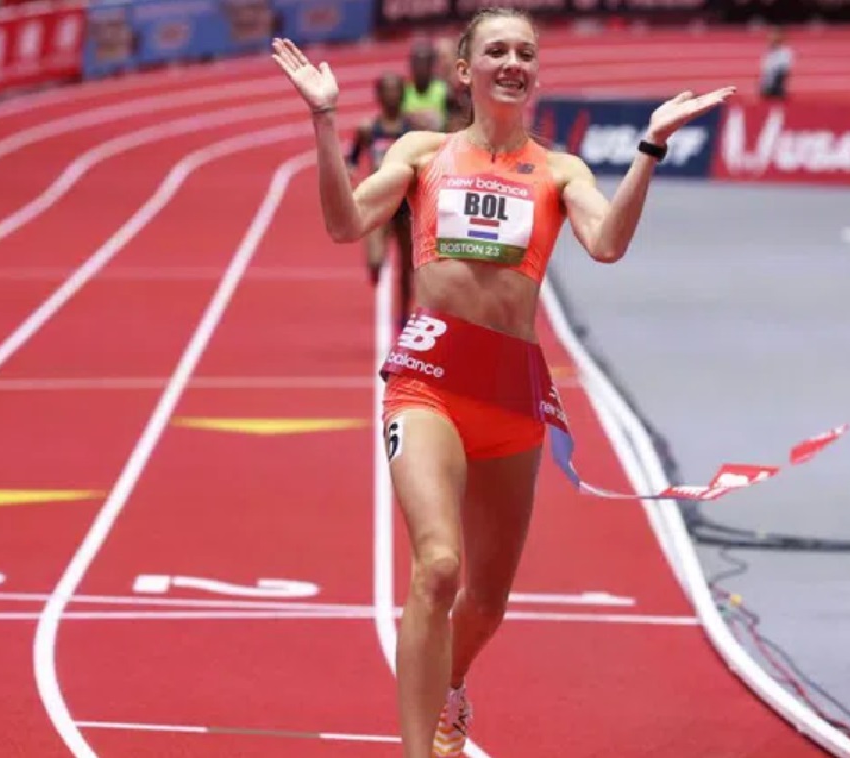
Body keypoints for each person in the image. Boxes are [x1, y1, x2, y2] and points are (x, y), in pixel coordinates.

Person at [270, 9, 734, 757]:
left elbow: (606, 243)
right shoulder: (423, 152)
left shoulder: (559, 170)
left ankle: (445, 688)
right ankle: (417, 749)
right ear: (465, 71)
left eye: (524, 51)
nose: (511, 60)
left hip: (512, 395)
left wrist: (649, 145)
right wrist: (324, 121)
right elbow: (342, 222)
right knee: (438, 567)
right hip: (427, 380)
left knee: (485, 603)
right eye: (495, 50)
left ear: (535, 71)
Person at [346, 73, 413, 313]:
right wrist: (348, 174)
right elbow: (351, 159)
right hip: (379, 202)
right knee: (375, 260)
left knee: (408, 267)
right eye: (387, 90)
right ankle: (375, 270)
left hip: (406, 203)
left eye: (396, 90)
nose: (392, 95)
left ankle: (404, 316)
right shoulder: (367, 129)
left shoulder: (412, 128)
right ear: (379, 95)